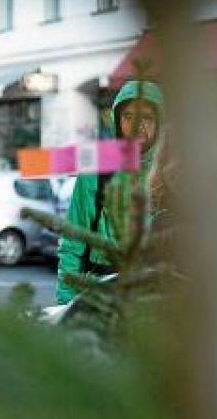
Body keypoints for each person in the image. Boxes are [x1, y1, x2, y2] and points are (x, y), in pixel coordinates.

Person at [55, 81, 164, 305]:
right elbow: (72, 242)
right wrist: (67, 303)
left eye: (147, 118)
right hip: (100, 296)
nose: (137, 126)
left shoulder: (169, 175)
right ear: (117, 121)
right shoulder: (98, 170)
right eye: (128, 117)